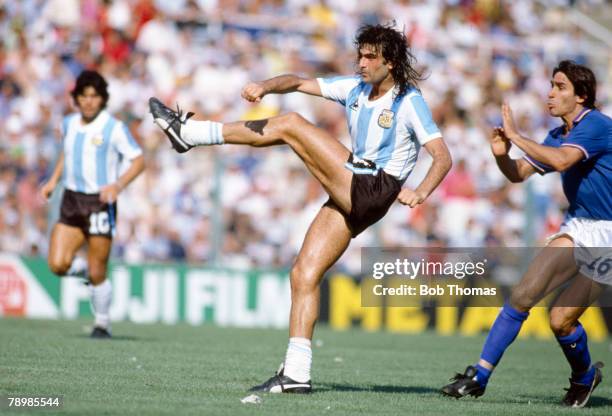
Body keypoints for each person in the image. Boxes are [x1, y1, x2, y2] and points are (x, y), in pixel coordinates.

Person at [150, 23, 451, 393]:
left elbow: (442, 156)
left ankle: (192, 134)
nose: (361, 62)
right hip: (354, 190)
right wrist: (264, 86)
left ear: (390, 62)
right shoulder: (354, 89)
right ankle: (296, 374)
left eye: (370, 56)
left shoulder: (409, 100)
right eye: (359, 54)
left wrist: (420, 192)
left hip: (374, 186)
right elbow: (296, 81)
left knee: (291, 124)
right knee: (303, 273)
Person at [441, 60, 611, 408]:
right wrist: (502, 155)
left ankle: (584, 377)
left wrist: (518, 136)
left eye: (560, 87)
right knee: (523, 294)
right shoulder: (557, 134)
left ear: (581, 96)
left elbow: (563, 162)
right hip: (580, 225)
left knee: (561, 321)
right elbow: (518, 174)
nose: (550, 93)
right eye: (551, 84)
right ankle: (479, 376)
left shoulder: (595, 125)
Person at [40, 70, 145, 339]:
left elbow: (138, 160)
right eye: (83, 96)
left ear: (102, 99)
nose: (88, 101)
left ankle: (102, 324)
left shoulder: (114, 127)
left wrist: (118, 186)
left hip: (99, 203)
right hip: (72, 200)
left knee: (99, 270)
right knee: (57, 264)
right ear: (76, 98)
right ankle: (86, 271)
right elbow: (68, 152)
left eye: (94, 96)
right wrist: (53, 180)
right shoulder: (68, 123)